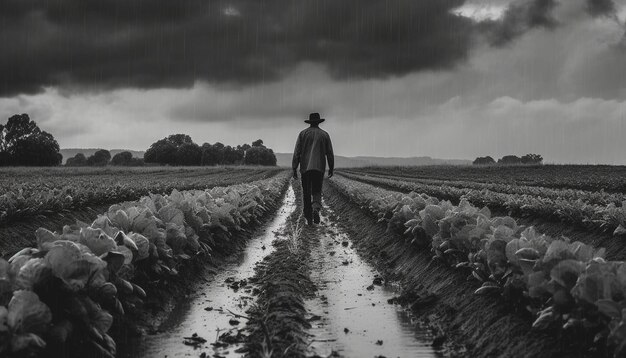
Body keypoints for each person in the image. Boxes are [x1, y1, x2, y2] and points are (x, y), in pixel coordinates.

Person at [292, 112, 335, 225]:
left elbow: (297, 152)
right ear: (318, 122)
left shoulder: (303, 134)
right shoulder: (324, 135)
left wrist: (294, 168)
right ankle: (316, 208)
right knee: (316, 190)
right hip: (319, 168)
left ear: (310, 122)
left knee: (306, 193)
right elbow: (329, 153)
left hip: (305, 168)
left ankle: (309, 218)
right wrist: (331, 167)